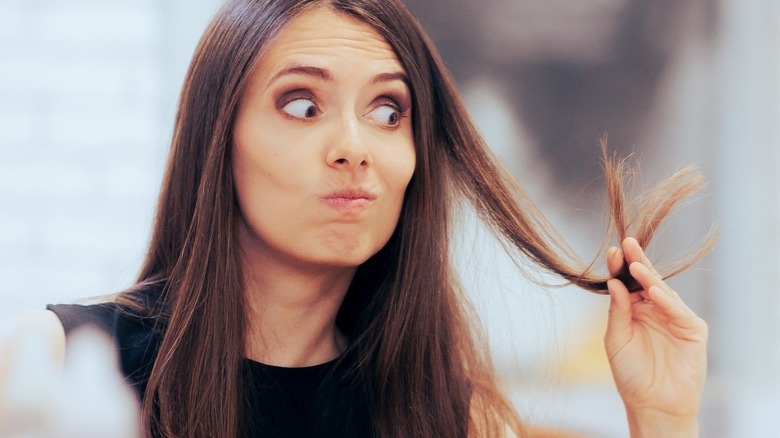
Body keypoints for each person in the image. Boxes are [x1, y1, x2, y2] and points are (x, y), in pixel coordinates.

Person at [0, 0, 712, 437]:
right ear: (218, 144)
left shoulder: (457, 418)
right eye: (303, 105)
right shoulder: (58, 364)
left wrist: (664, 419)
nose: (354, 149)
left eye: (387, 111)